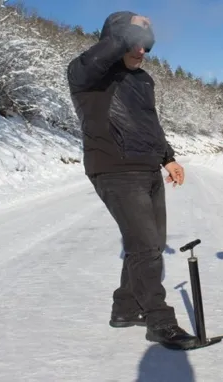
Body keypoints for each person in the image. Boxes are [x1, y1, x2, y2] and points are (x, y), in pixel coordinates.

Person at [66, 11, 198, 350]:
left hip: (147, 169)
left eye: (146, 45)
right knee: (146, 248)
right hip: (114, 169)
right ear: (117, 38)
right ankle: (160, 321)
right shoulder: (88, 75)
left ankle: (125, 309)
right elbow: (99, 57)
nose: (141, 51)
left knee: (149, 244)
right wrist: (131, 28)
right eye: (134, 43)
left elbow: (149, 124)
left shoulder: (143, 81)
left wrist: (168, 158)